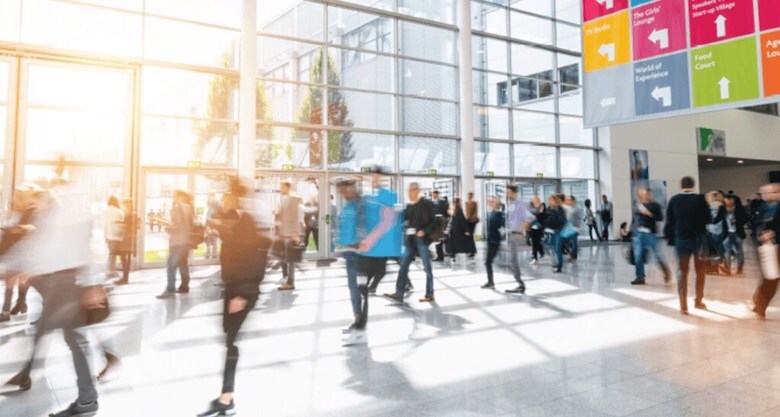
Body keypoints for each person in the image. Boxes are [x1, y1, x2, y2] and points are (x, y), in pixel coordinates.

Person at [4, 178, 105, 417]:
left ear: (42, 199)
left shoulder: (59, 216)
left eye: (33, 203)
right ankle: (87, 398)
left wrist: (92, 283)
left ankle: (85, 397)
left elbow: (82, 248)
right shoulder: (48, 217)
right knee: (73, 338)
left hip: (65, 285)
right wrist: (18, 267)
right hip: (61, 284)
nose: (31, 209)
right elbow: (38, 248)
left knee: (53, 333)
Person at [197, 179, 268, 417]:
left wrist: (241, 294)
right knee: (229, 336)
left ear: (236, 197)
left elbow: (256, 262)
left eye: (229, 195)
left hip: (242, 291)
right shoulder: (235, 221)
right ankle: (227, 395)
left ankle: (227, 397)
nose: (225, 199)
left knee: (231, 339)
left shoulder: (246, 223)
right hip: (235, 289)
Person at [665, 176, 711, 314]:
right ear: (694, 185)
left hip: (681, 240)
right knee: (700, 272)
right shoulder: (700, 199)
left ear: (681, 186)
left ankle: (683, 305)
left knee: (682, 272)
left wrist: (671, 239)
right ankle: (698, 301)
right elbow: (708, 219)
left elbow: (669, 222)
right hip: (698, 241)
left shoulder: (674, 200)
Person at [384, 182, 437, 303]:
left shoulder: (426, 204)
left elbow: (434, 222)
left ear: (418, 190)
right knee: (403, 266)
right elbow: (403, 219)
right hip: (410, 241)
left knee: (427, 268)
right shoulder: (409, 206)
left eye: (412, 190)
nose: (409, 192)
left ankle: (430, 293)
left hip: (421, 240)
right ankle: (399, 293)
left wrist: (424, 231)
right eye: (408, 190)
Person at [0, 186, 38, 322]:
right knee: (11, 281)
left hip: (24, 252)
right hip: (12, 251)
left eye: (18, 196)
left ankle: (14, 306)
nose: (15, 199)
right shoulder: (14, 211)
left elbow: (30, 229)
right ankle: (14, 307)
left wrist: (14, 229)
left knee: (19, 281)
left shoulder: (31, 211)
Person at [364, 169, 403, 297]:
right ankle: (406, 283)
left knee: (381, 264)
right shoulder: (378, 196)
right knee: (392, 262)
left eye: (376, 178)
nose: (373, 181)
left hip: (387, 238)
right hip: (383, 238)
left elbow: (392, 218)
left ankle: (372, 287)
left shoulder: (388, 195)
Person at [630, 187, 672, 285]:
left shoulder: (655, 206)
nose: (646, 195)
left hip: (651, 234)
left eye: (648, 194)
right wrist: (631, 230)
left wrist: (649, 213)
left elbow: (660, 218)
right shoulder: (637, 205)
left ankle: (666, 271)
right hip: (638, 234)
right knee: (638, 256)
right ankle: (640, 277)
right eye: (643, 193)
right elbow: (634, 219)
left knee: (657, 255)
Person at [157, 189, 194, 299]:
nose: (173, 197)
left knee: (171, 266)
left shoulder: (176, 207)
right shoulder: (189, 207)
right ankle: (185, 286)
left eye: (174, 195)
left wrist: (167, 227)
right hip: (187, 240)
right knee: (182, 263)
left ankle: (170, 290)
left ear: (178, 196)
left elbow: (176, 226)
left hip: (177, 241)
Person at [751, 183, 780, 318]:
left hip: (776, 246)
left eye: (771, 192)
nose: (767, 195)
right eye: (765, 193)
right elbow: (755, 224)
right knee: (768, 278)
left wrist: (773, 234)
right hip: (765, 248)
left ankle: (760, 304)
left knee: (772, 279)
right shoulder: (761, 208)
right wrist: (761, 235)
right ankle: (759, 304)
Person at [505, 185, 532, 293]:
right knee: (512, 260)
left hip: (517, 235)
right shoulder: (511, 204)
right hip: (511, 234)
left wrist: (521, 231)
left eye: (509, 192)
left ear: (514, 193)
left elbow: (528, 219)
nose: (507, 194)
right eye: (507, 192)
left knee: (514, 260)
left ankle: (520, 284)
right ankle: (519, 283)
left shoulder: (520, 204)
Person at [277, 180, 302, 291]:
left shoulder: (294, 199)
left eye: (282, 186)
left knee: (291, 258)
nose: (280, 188)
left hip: (290, 233)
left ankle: (290, 282)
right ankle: (287, 277)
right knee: (285, 257)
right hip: (284, 233)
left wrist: (295, 233)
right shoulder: (284, 199)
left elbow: (295, 217)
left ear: (287, 187)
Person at [722, 193, 748, 276]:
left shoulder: (740, 209)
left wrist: (737, 222)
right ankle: (728, 269)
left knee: (739, 252)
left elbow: (745, 219)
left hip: (738, 233)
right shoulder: (722, 209)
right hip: (727, 234)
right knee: (728, 252)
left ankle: (739, 269)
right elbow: (718, 219)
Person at [482, 196, 504, 289]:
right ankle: (490, 282)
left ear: (497, 204)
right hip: (490, 241)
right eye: (489, 201)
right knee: (488, 262)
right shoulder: (489, 214)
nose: (490, 203)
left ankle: (491, 282)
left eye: (492, 202)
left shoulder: (499, 215)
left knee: (488, 262)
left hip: (494, 241)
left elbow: (501, 227)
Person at [113, 199, 137, 285]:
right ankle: (125, 277)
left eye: (125, 205)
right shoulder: (131, 214)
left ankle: (125, 278)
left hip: (127, 238)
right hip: (128, 238)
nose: (124, 207)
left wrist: (119, 224)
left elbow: (127, 225)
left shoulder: (129, 215)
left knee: (124, 258)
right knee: (124, 258)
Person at [705, 191, 727, 275]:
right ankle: (718, 265)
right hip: (720, 230)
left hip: (711, 230)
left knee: (712, 251)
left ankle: (712, 269)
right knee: (719, 249)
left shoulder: (709, 206)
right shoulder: (722, 205)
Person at [545, 194, 567, 273]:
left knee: (558, 249)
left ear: (555, 201)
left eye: (551, 200)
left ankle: (559, 266)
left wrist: (556, 227)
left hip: (558, 231)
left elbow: (562, 221)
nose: (550, 202)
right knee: (551, 246)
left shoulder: (559, 209)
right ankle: (556, 263)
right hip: (551, 231)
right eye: (549, 200)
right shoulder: (550, 209)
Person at [103, 196, 124, 278]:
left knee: (110, 254)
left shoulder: (105, 212)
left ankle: (109, 270)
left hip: (108, 235)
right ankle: (111, 271)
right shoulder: (119, 212)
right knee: (113, 254)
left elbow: (105, 225)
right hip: (116, 236)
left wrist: (104, 237)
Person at [563, 195, 583, 263]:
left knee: (573, 242)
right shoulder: (569, 208)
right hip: (569, 227)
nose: (567, 201)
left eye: (568, 200)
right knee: (566, 241)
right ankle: (572, 254)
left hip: (575, 227)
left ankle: (574, 257)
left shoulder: (577, 208)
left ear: (573, 200)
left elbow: (578, 219)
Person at [431, 190, 449, 262]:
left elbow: (446, 212)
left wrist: (445, 221)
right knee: (437, 239)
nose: (434, 195)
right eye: (433, 194)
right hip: (435, 223)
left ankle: (444, 253)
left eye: (435, 194)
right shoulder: (430, 202)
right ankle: (440, 255)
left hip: (442, 222)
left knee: (443, 238)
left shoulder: (443, 201)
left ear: (437, 194)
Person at [528, 196, 546, 265]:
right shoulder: (531, 207)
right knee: (535, 243)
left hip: (538, 228)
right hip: (532, 227)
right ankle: (540, 253)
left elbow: (542, 216)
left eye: (535, 199)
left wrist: (537, 216)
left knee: (535, 243)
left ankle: (535, 258)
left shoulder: (542, 206)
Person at [465, 192, 479, 258]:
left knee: (470, 236)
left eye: (470, 196)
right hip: (468, 221)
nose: (469, 197)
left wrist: (471, 218)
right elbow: (466, 213)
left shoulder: (474, 203)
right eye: (468, 196)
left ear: (472, 196)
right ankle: (470, 250)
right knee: (468, 236)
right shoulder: (466, 203)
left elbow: (475, 212)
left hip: (472, 221)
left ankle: (472, 251)